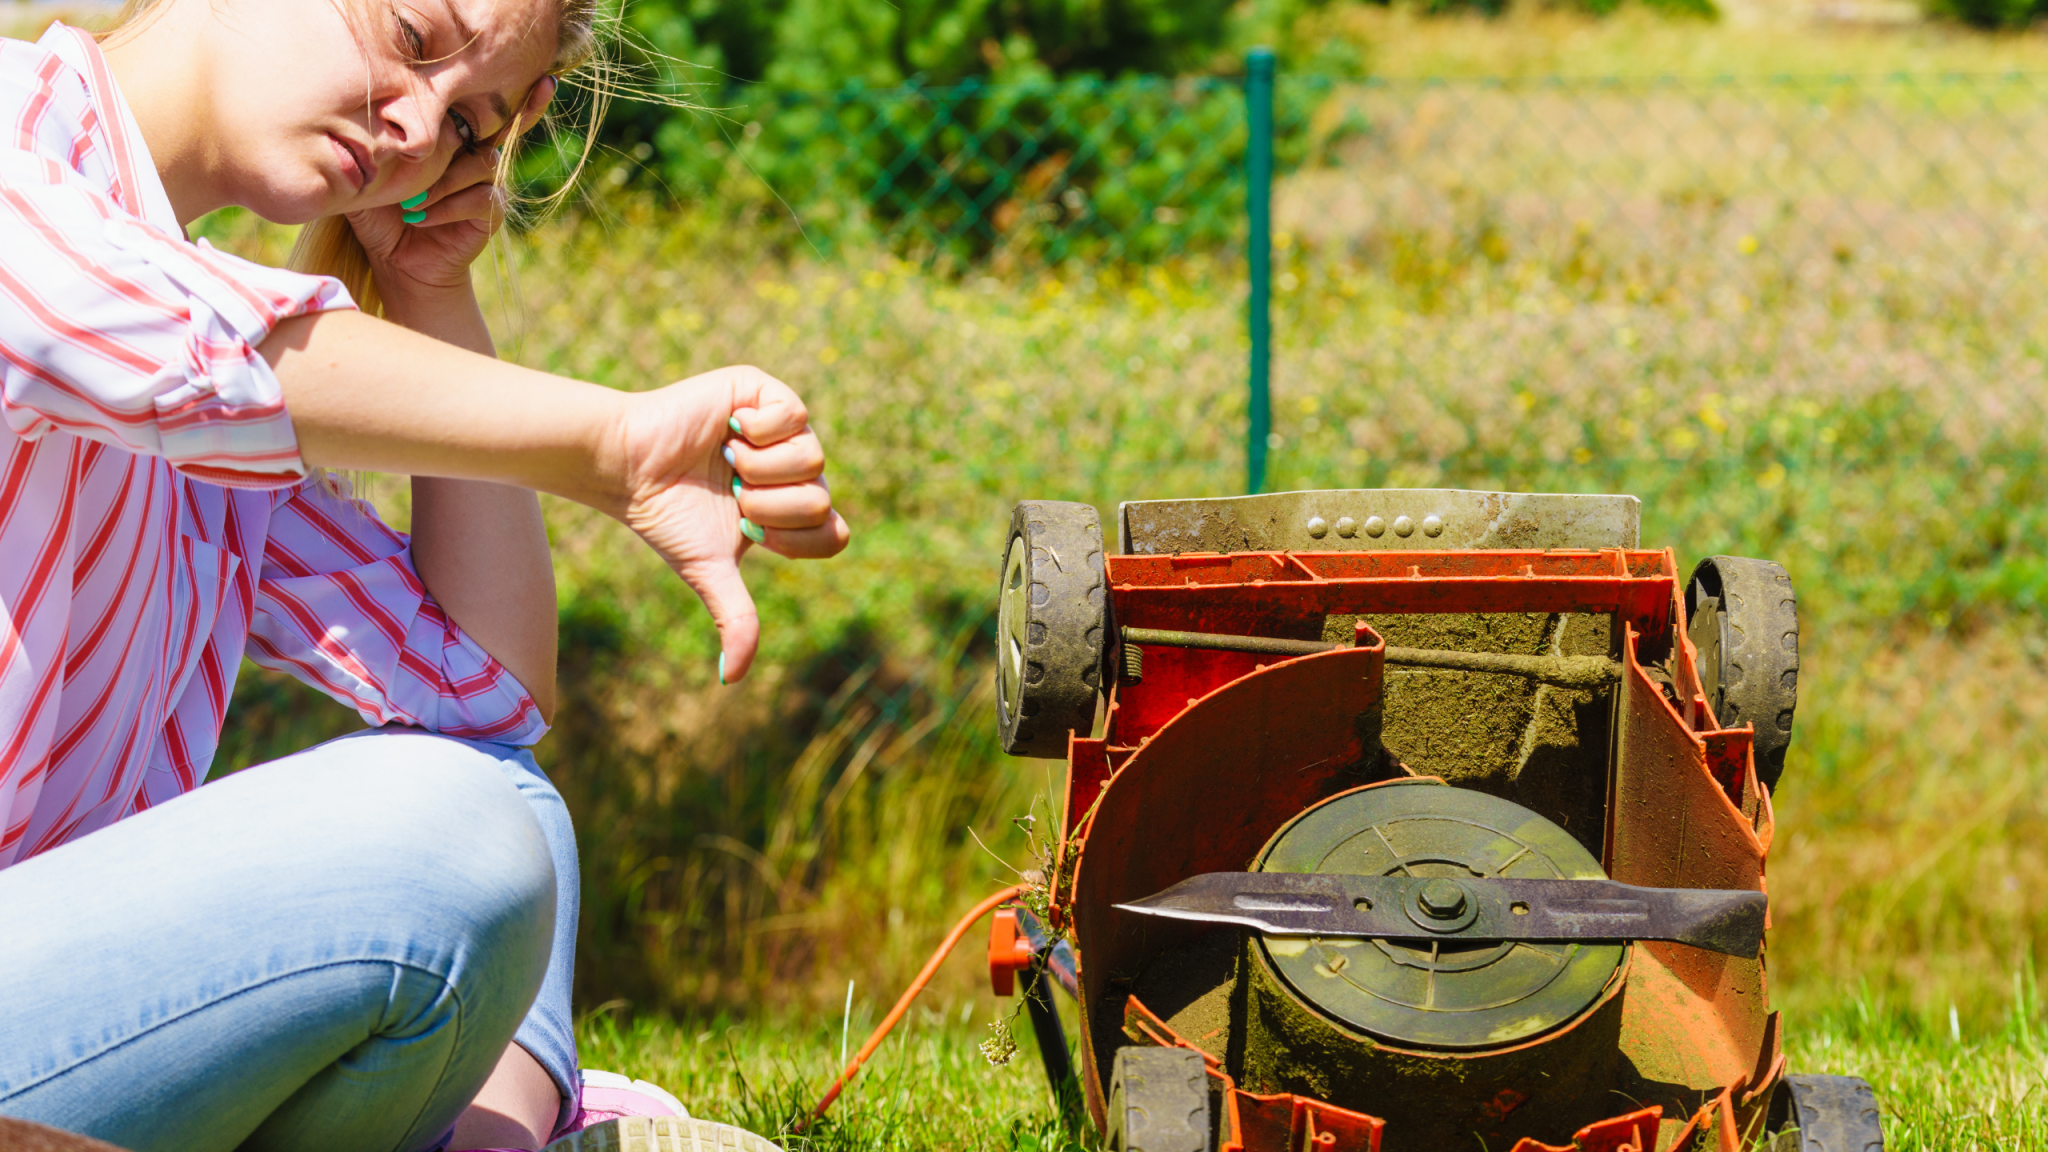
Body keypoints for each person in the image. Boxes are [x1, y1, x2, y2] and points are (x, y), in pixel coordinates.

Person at [0, 0, 850, 1147]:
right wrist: (611, 444)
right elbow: (178, 354)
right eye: (409, 38)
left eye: (467, 124)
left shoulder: (196, 345)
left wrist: (434, 289)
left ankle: (498, 1134)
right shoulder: (20, 135)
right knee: (446, 836)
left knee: (497, 804)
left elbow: (482, 693)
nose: (412, 131)